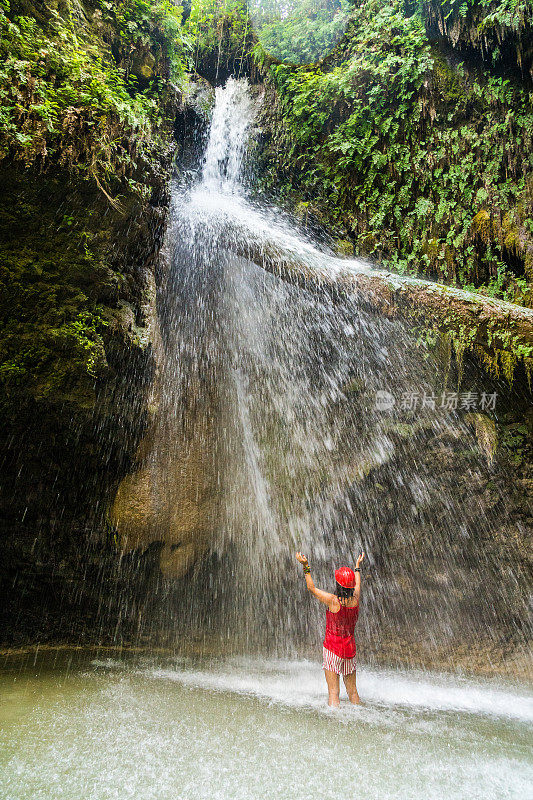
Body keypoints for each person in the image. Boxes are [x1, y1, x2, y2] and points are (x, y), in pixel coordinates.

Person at [295, 550, 365, 707]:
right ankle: (360, 715)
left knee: (334, 692)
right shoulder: (356, 598)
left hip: (332, 649)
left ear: (338, 585)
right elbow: (358, 583)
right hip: (349, 650)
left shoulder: (333, 601)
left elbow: (311, 588)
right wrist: (357, 567)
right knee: (353, 691)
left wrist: (305, 566)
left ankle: (335, 723)